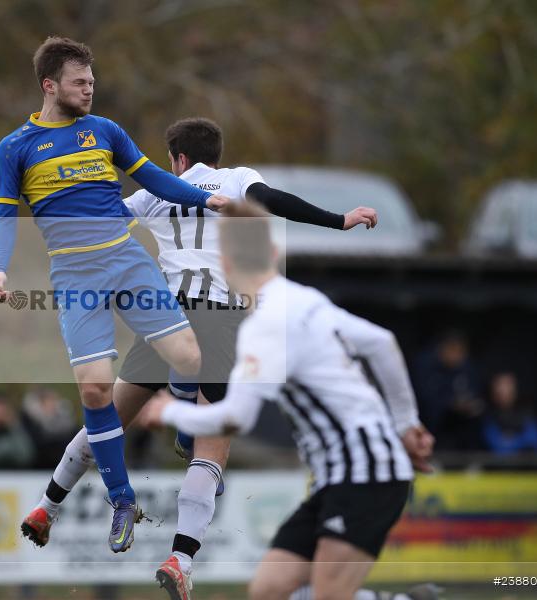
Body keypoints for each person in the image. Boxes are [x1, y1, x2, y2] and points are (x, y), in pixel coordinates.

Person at [19, 116, 378, 599]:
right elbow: (275, 203)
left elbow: (99, 226)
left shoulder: (156, 191)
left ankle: (47, 506)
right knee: (213, 449)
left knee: (106, 421)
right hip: (221, 320)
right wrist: (340, 219)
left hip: (163, 319)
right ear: (215, 154)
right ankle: (181, 557)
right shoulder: (236, 179)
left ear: (178, 159)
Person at [0, 36, 234, 552]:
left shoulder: (105, 132)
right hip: (75, 278)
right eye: (80, 82)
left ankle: (186, 431)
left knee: (189, 356)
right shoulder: (16, 147)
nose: (89, 89)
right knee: (96, 390)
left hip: (126, 261)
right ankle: (122, 500)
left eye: (92, 81)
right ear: (49, 85)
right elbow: (5, 214)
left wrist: (207, 198)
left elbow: (157, 179)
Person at [138, 202, 436, 600]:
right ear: (274, 253)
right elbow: (382, 343)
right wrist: (406, 423)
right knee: (268, 591)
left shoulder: (262, 327)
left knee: (329, 596)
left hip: (367, 473)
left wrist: (169, 411)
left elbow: (236, 419)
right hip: (339, 476)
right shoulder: (303, 297)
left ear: (224, 265)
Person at [481, 371, 537, 455]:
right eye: (499, 387)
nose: (503, 391)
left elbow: (536, 442)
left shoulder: (526, 413)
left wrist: (512, 440)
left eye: (507, 386)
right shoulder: (487, 416)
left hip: (525, 465)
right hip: (496, 466)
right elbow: (496, 446)